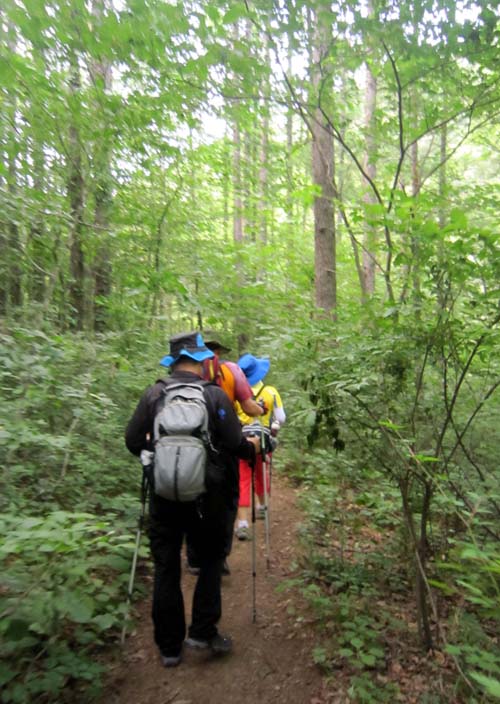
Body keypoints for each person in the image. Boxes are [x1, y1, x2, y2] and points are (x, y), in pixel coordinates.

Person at [125, 332, 260, 668]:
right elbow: (234, 443)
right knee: (212, 561)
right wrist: (254, 447)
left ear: (172, 361)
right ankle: (202, 631)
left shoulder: (155, 393)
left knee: (167, 567)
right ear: (201, 360)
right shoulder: (214, 396)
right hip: (207, 498)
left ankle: (169, 648)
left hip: (164, 497)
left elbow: (131, 440)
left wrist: (156, 451)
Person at [186, 336, 266, 576]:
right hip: (223, 444)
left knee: (193, 498)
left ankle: (194, 558)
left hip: (190, 444)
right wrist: (261, 408)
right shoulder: (230, 370)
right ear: (218, 350)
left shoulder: (184, 373)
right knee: (224, 501)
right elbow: (249, 407)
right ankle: (218, 557)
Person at [234, 353, 286, 540]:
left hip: (242, 440)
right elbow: (281, 418)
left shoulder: (237, 392)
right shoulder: (271, 391)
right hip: (263, 439)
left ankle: (242, 522)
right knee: (261, 471)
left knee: (243, 478)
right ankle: (262, 505)